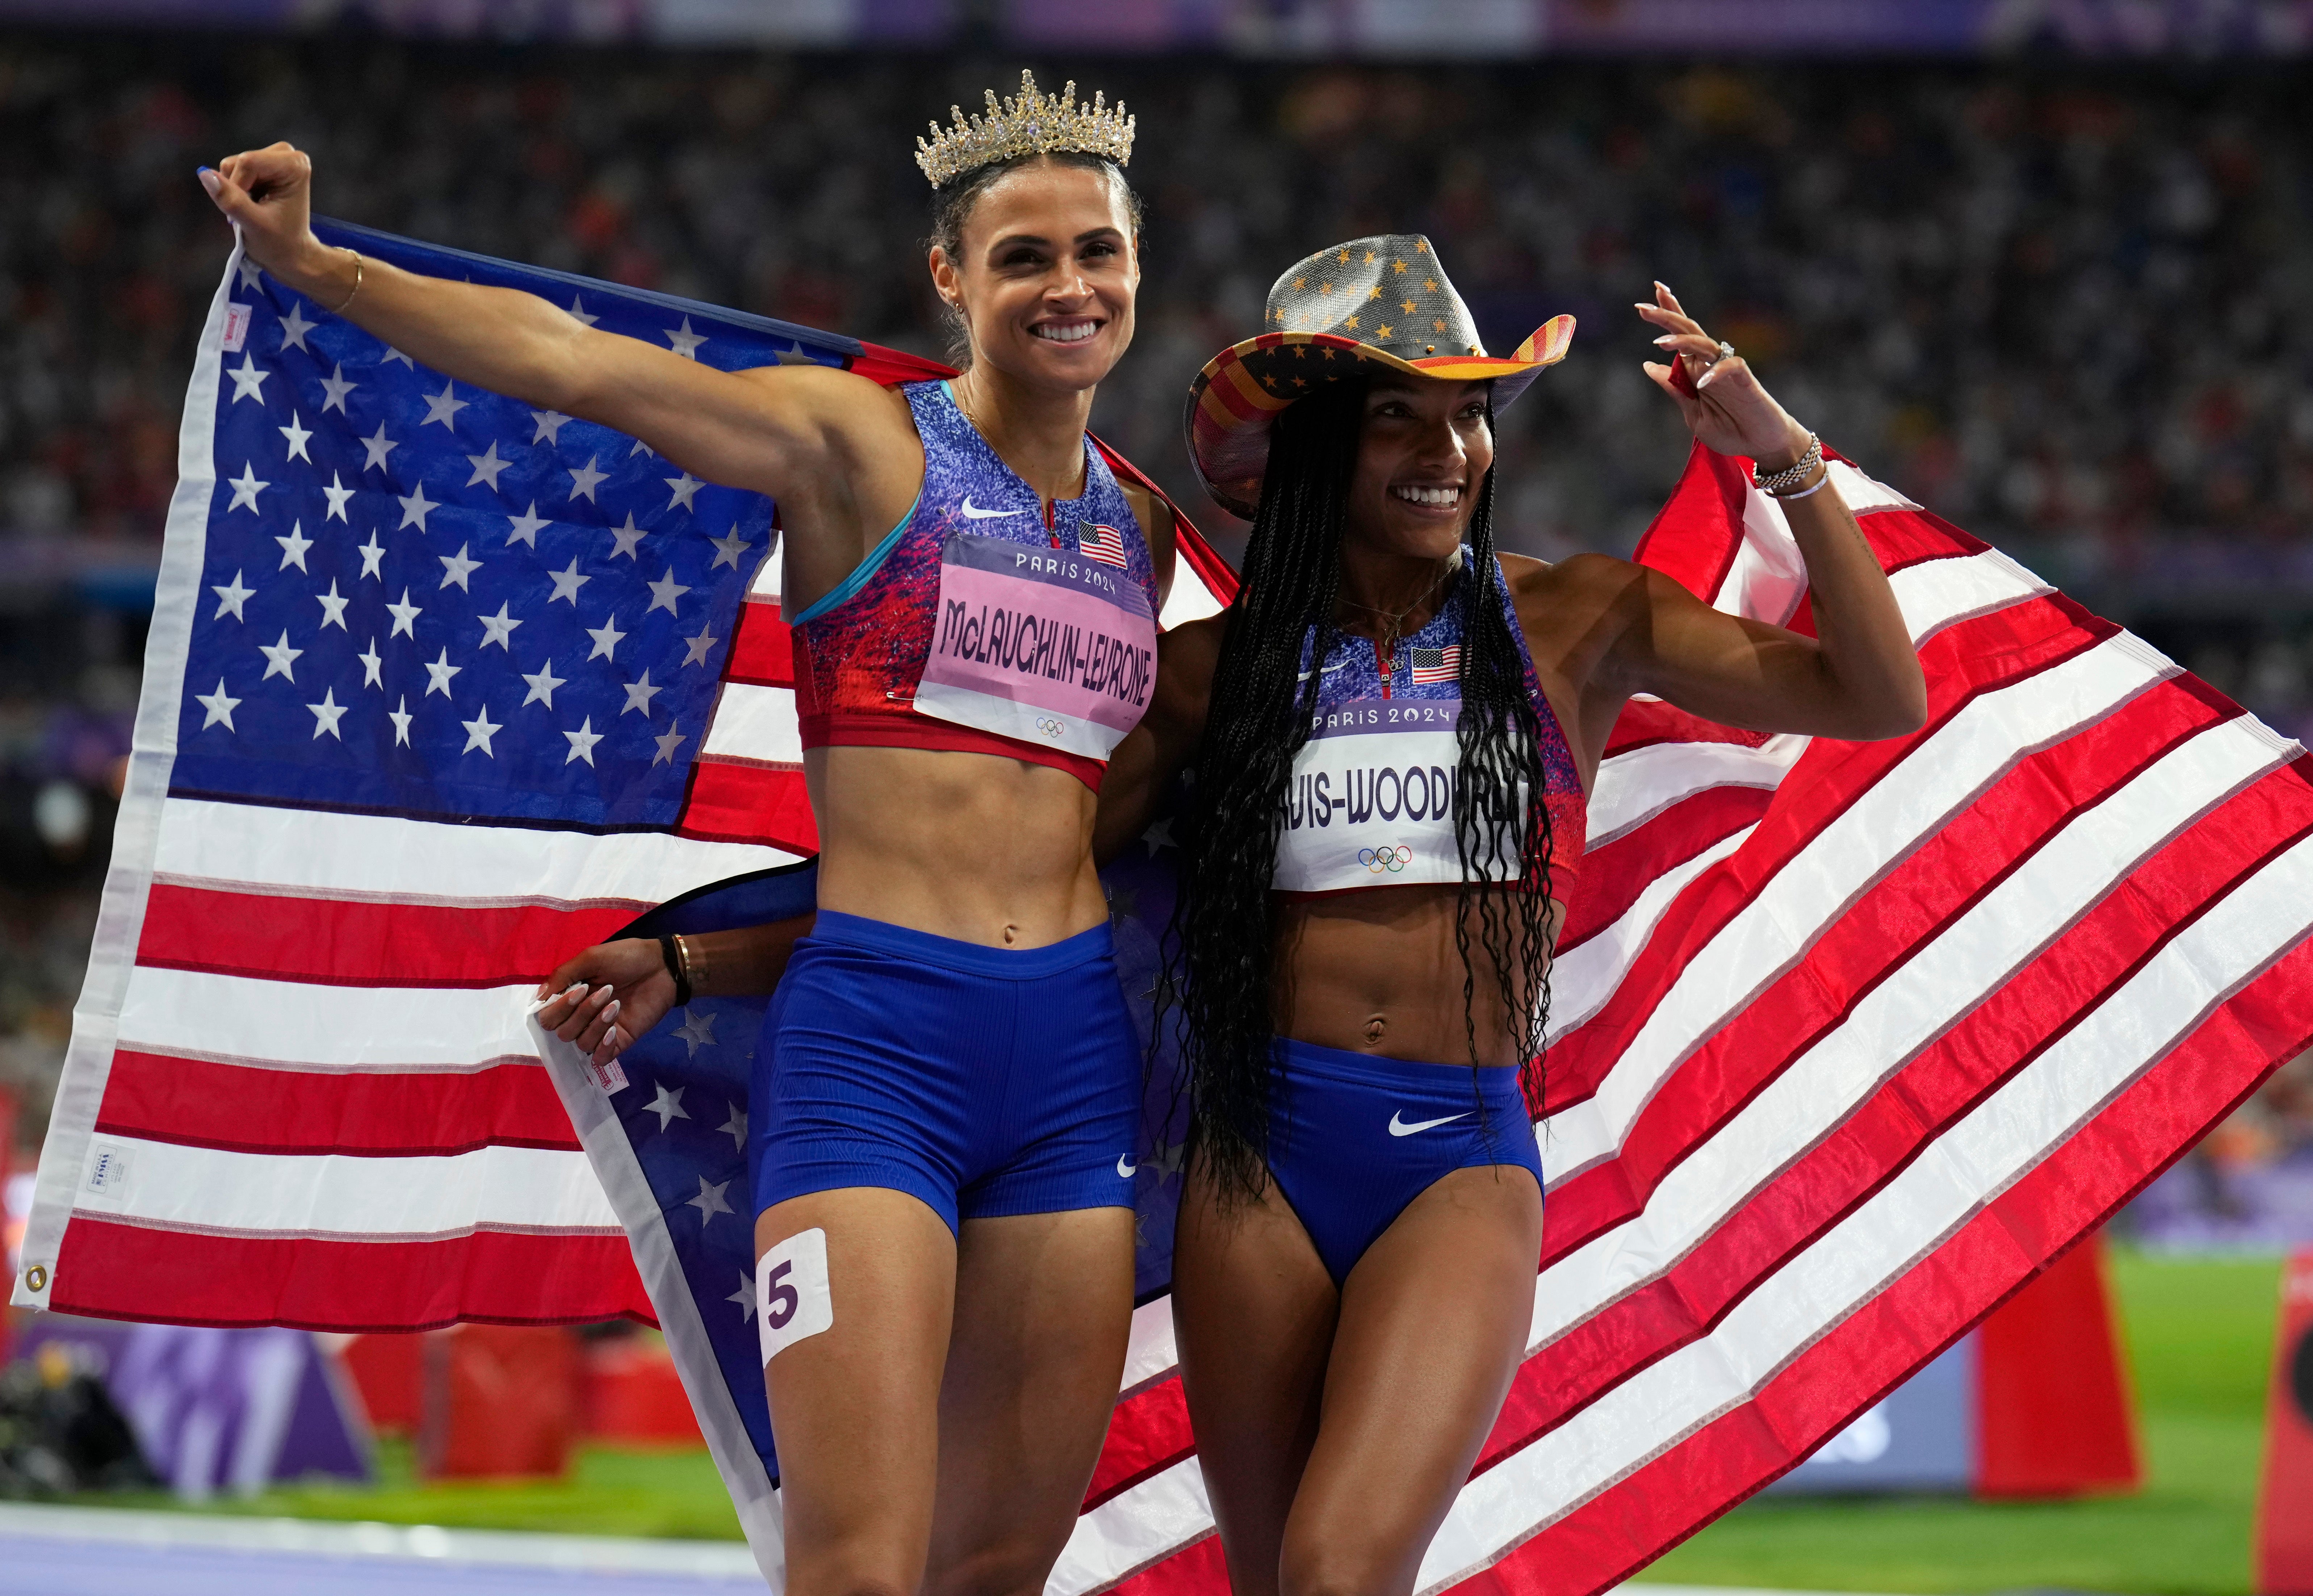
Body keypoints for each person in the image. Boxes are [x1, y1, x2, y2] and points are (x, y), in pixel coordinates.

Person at [204, 72, 1178, 1596]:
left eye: (1097, 253)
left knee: (1000, 1560)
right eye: (1024, 257)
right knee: (855, 1566)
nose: (1070, 287)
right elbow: (582, 369)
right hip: (880, 1056)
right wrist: (326, 272)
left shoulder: (1142, 527)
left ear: (1137, 265)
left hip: (1071, 1067)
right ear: (951, 278)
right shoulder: (860, 451)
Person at [1096, 237, 1926, 1596]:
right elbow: (1039, 886)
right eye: (1397, 419)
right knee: (1268, 1582)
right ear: (1311, 451)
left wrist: (1779, 454)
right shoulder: (1211, 673)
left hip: (1454, 1160)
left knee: (1339, 1566)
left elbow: (1877, 695)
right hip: (1253, 1159)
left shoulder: (1575, 617)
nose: (1451, 450)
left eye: (1472, 414)